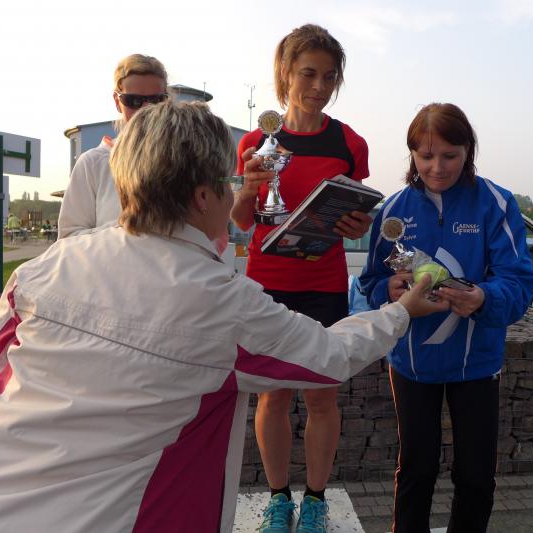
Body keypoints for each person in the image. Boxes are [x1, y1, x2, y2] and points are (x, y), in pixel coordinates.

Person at [0, 101, 451, 533]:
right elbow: (331, 356)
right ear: (201, 196)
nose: (235, 193)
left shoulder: (48, 264)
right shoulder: (220, 300)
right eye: (228, 181)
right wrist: (401, 310)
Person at [359, 103, 533, 532]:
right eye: (425, 156)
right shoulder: (392, 210)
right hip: (412, 363)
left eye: (450, 155)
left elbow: (519, 281)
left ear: (468, 151)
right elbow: (370, 282)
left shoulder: (496, 204)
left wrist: (483, 297)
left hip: (476, 364)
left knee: (475, 475)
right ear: (411, 155)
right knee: (416, 469)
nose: (437, 168)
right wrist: (388, 290)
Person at [230, 24, 373, 533]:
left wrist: (358, 225)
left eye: (329, 77)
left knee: (321, 395)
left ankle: (314, 500)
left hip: (325, 282)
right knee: (272, 395)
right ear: (285, 73)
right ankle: (277, 500)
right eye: (308, 73)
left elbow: (355, 214)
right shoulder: (255, 142)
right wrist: (249, 188)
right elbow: (242, 221)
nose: (319, 86)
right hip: (267, 282)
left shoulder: (349, 142)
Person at [57, 53, 169, 239]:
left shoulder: (185, 158)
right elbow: (69, 239)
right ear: (118, 102)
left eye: (156, 101)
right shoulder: (93, 163)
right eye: (134, 101)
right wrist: (131, 227)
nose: (146, 110)